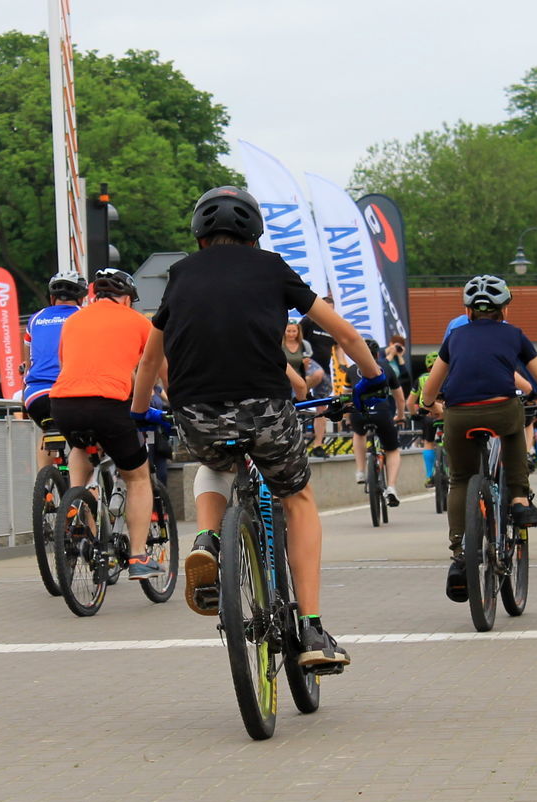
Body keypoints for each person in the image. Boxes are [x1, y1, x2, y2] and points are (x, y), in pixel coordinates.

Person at [131, 185, 386, 668]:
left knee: (215, 464)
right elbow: (343, 332)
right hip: (264, 408)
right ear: (254, 235)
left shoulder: (180, 274)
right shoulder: (272, 267)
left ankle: (207, 541)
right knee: (297, 498)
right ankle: (312, 631)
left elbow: (149, 360)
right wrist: (374, 377)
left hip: (196, 411)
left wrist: (141, 411)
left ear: (200, 236)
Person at [419, 275, 537, 601]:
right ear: (504, 310)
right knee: (514, 428)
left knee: (460, 479)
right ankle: (518, 499)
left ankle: (460, 552)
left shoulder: (454, 337)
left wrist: (431, 406)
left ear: (468, 311)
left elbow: (430, 389)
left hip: (458, 415)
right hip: (501, 409)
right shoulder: (514, 335)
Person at [48, 268, 159, 580]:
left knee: (80, 447)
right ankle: (138, 556)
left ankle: (75, 501)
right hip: (109, 405)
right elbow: (152, 367)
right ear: (127, 299)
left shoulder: (73, 321)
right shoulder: (140, 322)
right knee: (137, 477)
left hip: (64, 403)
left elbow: (66, 363)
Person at [24, 271, 87, 466]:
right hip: (70, 394)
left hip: (35, 396)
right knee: (85, 441)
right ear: (81, 298)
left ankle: (44, 480)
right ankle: (86, 483)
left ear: (52, 298)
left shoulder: (35, 319)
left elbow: (27, 364)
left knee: (47, 431)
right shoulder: (85, 316)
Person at [346, 338, 406, 505]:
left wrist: (347, 418)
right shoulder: (386, 367)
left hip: (359, 412)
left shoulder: (352, 369)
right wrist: (400, 415)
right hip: (382, 412)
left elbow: (346, 395)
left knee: (358, 433)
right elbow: (400, 398)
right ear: (377, 354)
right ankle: (391, 487)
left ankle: (360, 471)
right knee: (392, 450)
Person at [301, 297, 338, 458]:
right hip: (308, 366)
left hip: (325, 369)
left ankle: (318, 444)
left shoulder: (333, 325)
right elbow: (296, 338)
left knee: (322, 407)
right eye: (325, 308)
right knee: (318, 373)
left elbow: (338, 347)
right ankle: (301, 393)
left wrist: (343, 364)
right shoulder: (309, 321)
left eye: (331, 309)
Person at [406, 351, 442, 488]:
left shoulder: (421, 379)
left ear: (427, 367)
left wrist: (414, 415)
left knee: (428, 442)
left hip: (428, 416)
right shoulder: (448, 375)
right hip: (446, 414)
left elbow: (410, 402)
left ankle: (429, 475)